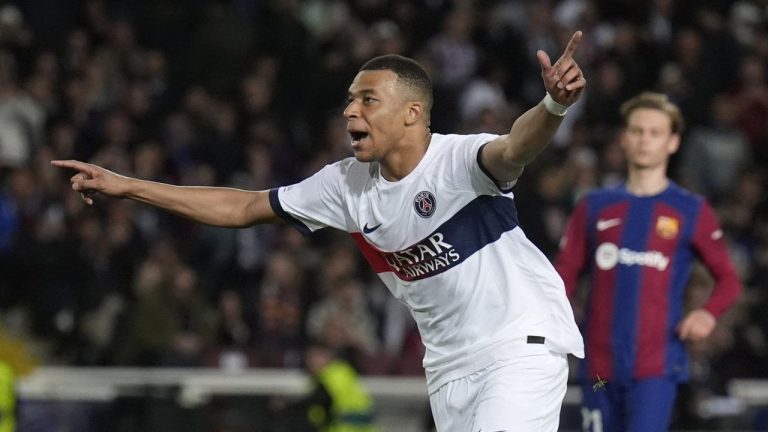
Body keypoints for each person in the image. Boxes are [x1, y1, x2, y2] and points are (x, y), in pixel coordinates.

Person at [52, 31, 587, 431]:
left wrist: (553, 105)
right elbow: (242, 208)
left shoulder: (460, 161)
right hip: (448, 367)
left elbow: (516, 146)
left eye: (368, 100)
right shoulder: (346, 185)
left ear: (413, 112)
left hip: (519, 343)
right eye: (350, 101)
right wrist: (128, 186)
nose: (350, 110)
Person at [555, 92, 742, 432]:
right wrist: (556, 319)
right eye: (637, 131)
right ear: (624, 139)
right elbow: (562, 274)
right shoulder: (594, 206)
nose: (644, 140)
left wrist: (707, 313)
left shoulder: (690, 210)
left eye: (655, 133)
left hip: (656, 369)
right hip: (598, 369)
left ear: (672, 142)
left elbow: (729, 279)